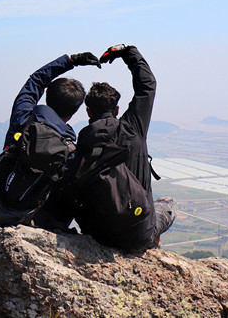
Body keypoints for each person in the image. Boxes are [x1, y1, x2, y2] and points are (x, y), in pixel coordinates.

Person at [74, 44, 176, 252]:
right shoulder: (132, 128)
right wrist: (127, 52)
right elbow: (147, 85)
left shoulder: (82, 142)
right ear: (117, 109)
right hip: (139, 234)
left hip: (100, 236)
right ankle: (153, 243)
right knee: (169, 204)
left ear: (88, 112)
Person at [1, 51, 101, 229]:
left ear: (47, 97)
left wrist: (71, 60)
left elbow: (36, 81)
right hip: (36, 220)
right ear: (74, 111)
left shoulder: (22, 118)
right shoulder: (69, 150)